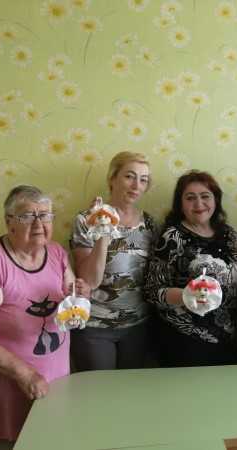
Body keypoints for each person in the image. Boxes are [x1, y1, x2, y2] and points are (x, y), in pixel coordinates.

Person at [0, 185, 89, 450]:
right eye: (27, 216)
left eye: (45, 215)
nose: (38, 224)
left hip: (50, 389)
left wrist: (79, 296)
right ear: (9, 222)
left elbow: (69, 301)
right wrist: (24, 374)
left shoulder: (57, 253)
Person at [70, 151, 157, 371]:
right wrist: (103, 233)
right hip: (95, 326)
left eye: (143, 180)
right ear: (112, 178)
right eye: (129, 176)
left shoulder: (150, 224)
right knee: (99, 389)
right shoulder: (86, 219)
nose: (136, 185)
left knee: (130, 389)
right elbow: (89, 281)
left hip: (137, 326)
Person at [144, 170, 237, 367]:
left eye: (205, 196)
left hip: (227, 338)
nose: (199, 204)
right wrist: (187, 296)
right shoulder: (172, 237)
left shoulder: (230, 235)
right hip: (184, 340)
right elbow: (151, 291)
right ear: (180, 204)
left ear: (216, 200)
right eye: (190, 198)